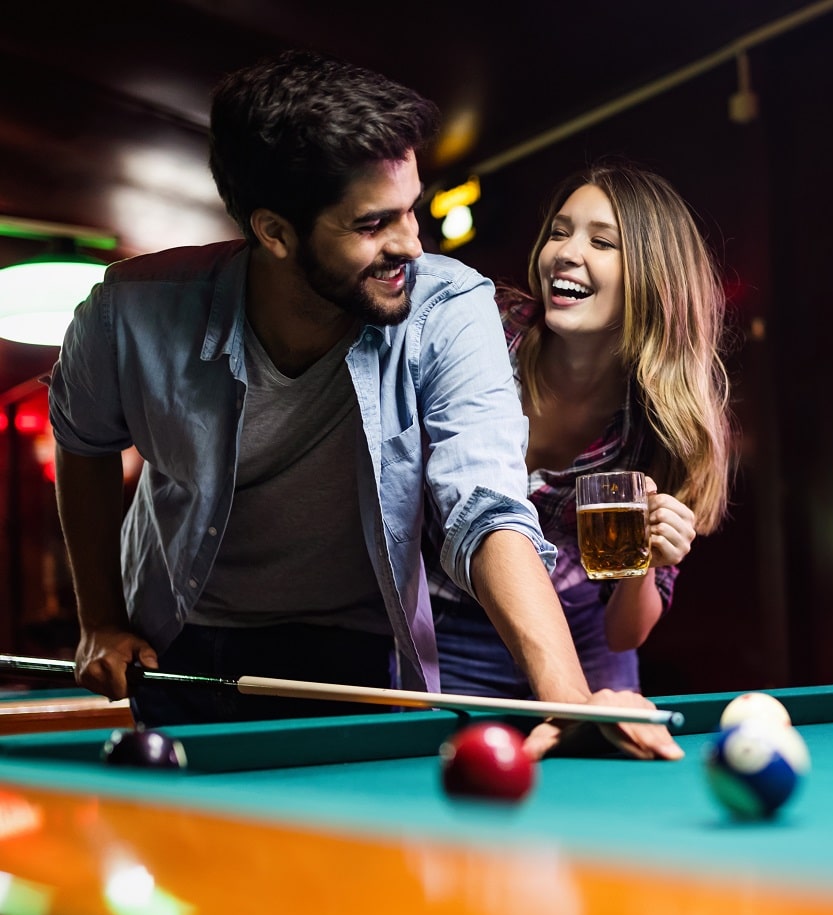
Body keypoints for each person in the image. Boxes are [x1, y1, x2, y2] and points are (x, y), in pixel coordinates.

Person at [46, 51, 679, 760]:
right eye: (374, 223)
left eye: (410, 208)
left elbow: (486, 507)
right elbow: (84, 441)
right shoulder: (126, 315)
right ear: (275, 232)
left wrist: (564, 695)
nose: (412, 242)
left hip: (356, 649)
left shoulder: (451, 307)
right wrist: (98, 618)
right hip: (179, 642)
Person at [428, 164, 732, 700]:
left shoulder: (664, 422)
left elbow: (623, 636)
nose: (567, 252)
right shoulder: (484, 331)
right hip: (448, 621)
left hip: (581, 637)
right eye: (560, 232)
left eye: (602, 242)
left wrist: (649, 563)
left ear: (653, 276)